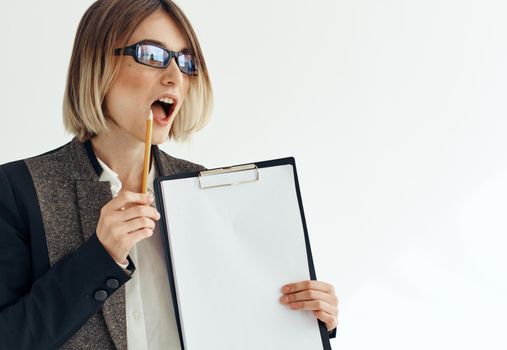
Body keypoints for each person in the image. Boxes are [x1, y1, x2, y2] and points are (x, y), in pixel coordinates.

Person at [0, 0, 338, 349]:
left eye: (186, 61)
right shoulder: (17, 189)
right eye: (152, 54)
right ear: (97, 62)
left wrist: (302, 319)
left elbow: (234, 326)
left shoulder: (204, 190)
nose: (175, 76)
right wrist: (100, 257)